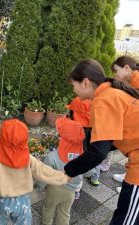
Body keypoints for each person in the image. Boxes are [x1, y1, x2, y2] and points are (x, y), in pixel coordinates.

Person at [64, 59, 139, 225]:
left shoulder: (103, 100)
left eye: (73, 85)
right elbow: (111, 136)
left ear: (85, 83)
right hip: (134, 156)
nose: (73, 90)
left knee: (125, 220)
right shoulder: (111, 90)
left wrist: (68, 171)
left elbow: (99, 152)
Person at [0, 119, 69, 225]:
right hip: (22, 201)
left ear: (2, 138)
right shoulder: (29, 159)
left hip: (2, 201)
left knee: (0, 222)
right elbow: (43, 171)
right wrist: (63, 177)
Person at [37, 117, 84, 225]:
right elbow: (89, 172)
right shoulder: (83, 157)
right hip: (72, 191)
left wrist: (40, 186)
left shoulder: (52, 157)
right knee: (64, 212)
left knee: (48, 208)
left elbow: (45, 176)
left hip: (55, 189)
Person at [100, 55, 139, 172]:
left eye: (116, 71)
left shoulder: (136, 80)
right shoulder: (133, 79)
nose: (115, 75)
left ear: (126, 68)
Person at [67, 96, 101, 187]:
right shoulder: (96, 128)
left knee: (78, 160)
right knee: (95, 158)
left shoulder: (75, 130)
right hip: (93, 142)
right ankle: (95, 178)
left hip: (79, 161)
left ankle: (76, 189)